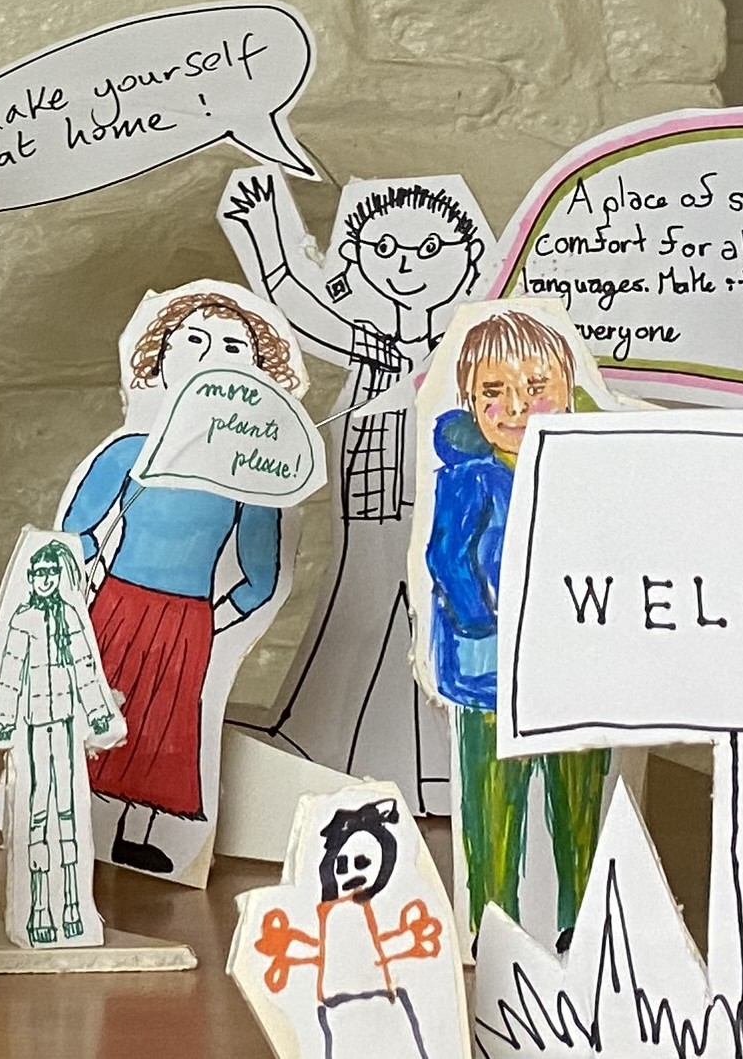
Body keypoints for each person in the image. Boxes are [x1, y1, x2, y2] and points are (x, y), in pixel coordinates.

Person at [222, 173, 500, 807]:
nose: (406, 266)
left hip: (445, 502)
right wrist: (264, 231)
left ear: (466, 262)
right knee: (363, 599)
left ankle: (440, 767)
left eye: (430, 250)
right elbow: (295, 302)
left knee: (438, 613)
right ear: (356, 261)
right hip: (368, 500)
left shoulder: (465, 349)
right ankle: (344, 746)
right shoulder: (369, 342)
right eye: (385, 251)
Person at [55, 284, 297, 873]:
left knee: (161, 727)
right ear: (159, 358)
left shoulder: (251, 478)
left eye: (235, 348)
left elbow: (261, 577)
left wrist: (213, 620)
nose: (213, 353)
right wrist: (74, 584)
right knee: (89, 710)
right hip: (111, 605)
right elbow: (77, 530)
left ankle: (131, 835)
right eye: (195, 340)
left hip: (185, 622)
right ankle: (62, 819)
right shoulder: (129, 450)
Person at [424, 307, 608, 934]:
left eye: (536, 387)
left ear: (567, 390)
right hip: (489, 676)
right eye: (493, 392)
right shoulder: (469, 479)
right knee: (494, 805)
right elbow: (446, 557)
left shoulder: (588, 470)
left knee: (579, 799)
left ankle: (579, 922)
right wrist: (488, 623)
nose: (517, 407)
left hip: (576, 672)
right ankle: (492, 918)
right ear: (470, 404)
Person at [0, 533, 126, 945]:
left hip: (65, 730)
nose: (44, 579)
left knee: (70, 816)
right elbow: (8, 673)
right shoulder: (23, 619)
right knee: (36, 815)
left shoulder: (73, 618)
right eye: (38, 572)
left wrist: (100, 715)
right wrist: (2, 721)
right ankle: (38, 907)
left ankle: (74, 907)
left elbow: (86, 670)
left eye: (51, 572)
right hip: (32, 732)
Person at [250, 797, 446, 1059]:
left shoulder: (360, 911)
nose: (352, 873)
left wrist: (410, 940)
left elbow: (373, 952)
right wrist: (288, 947)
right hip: (339, 1009)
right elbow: (328, 954)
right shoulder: (333, 914)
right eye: (342, 866)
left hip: (379, 1002)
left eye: (362, 863)